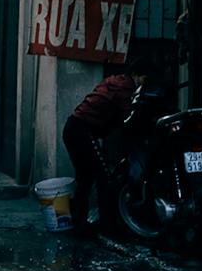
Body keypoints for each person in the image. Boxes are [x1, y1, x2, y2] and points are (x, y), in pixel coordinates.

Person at [61, 41, 160, 238]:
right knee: (104, 178)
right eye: (144, 79)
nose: (144, 84)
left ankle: (79, 225)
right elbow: (130, 119)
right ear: (139, 76)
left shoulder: (117, 81)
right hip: (82, 131)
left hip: (73, 128)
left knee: (86, 179)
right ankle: (107, 227)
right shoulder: (126, 88)